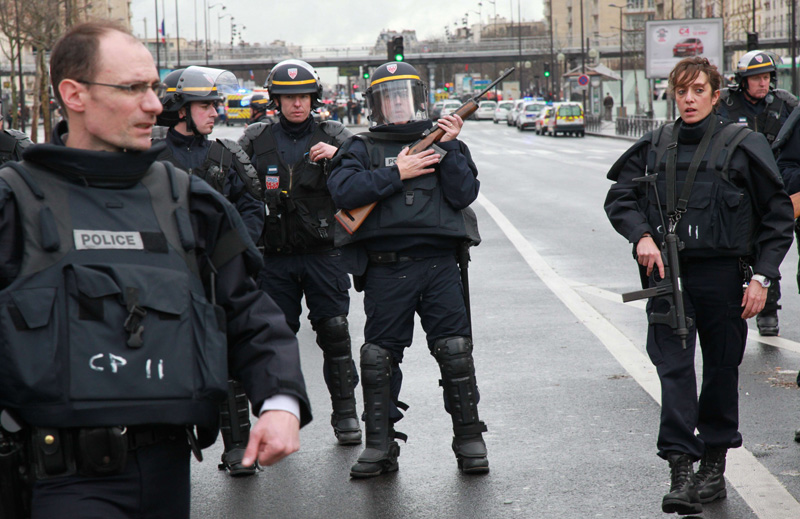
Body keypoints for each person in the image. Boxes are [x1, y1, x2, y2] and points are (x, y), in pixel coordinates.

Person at [0, 21, 312, 518]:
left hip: (166, 472)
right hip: (57, 480)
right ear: (73, 94)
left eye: (153, 87)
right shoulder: (14, 203)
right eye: (132, 88)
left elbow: (249, 310)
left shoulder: (188, 201)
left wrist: (279, 401)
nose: (153, 104)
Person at [604, 57, 793, 515]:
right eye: (682, 91)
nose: (689, 99)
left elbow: (777, 217)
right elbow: (620, 197)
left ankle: (713, 464)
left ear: (714, 94)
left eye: (698, 91)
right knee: (674, 373)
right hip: (668, 278)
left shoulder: (742, 145)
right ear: (674, 94)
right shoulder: (656, 144)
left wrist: (763, 278)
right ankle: (680, 469)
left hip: (724, 278)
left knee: (722, 372)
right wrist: (641, 236)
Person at [327, 61, 489, 478]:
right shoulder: (360, 148)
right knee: (379, 358)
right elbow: (343, 191)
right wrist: (394, 172)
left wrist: (451, 146)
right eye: (388, 95)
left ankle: (470, 439)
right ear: (376, 104)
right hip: (386, 268)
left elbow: (463, 194)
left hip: (439, 266)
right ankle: (379, 446)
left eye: (403, 94)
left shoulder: (443, 143)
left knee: (455, 352)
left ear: (417, 99)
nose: (397, 101)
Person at [238, 59, 362, 447]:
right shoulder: (255, 138)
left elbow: (364, 176)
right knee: (272, 341)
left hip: (323, 254)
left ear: (314, 98)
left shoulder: (335, 133)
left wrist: (340, 154)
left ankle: (345, 416)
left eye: (303, 96)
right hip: (274, 256)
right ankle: (276, 421)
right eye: (289, 97)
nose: (296, 104)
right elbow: (231, 186)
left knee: (335, 333)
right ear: (276, 100)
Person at [153, 66, 266, 477]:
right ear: (181, 109)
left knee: (230, 359)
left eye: (216, 104)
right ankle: (164, 453)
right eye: (205, 105)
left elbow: (252, 207)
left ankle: (237, 446)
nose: (215, 112)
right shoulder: (150, 154)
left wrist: (236, 252)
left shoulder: (225, 154)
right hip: (167, 279)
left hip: (217, 275)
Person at [716, 50, 798, 336]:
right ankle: (733, 307)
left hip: (777, 189)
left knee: (770, 248)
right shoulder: (725, 104)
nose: (762, 83)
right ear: (743, 81)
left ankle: (769, 309)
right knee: (738, 250)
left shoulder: (786, 104)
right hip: (738, 190)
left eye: (766, 77)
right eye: (756, 78)